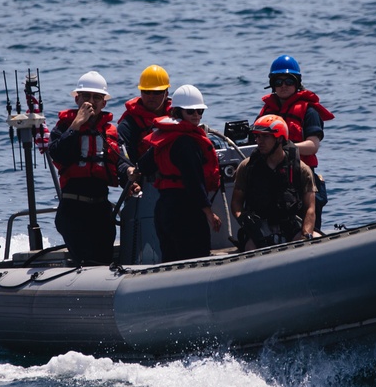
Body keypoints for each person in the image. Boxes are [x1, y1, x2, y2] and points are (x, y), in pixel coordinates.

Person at [48, 70, 135, 266]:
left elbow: (119, 161)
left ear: (104, 103)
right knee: (85, 261)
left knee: (103, 260)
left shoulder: (110, 132)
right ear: (77, 99)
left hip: (101, 211)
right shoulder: (63, 127)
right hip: (73, 210)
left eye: (97, 97)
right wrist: (76, 125)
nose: (91, 101)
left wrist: (129, 174)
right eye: (86, 96)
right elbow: (57, 153)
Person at [136, 85, 222, 262]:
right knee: (195, 260)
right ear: (177, 112)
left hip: (164, 210)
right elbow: (194, 182)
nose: (196, 116)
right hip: (186, 211)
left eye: (200, 111)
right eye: (191, 112)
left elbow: (144, 166)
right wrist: (208, 213)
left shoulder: (164, 137)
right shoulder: (187, 143)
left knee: (171, 260)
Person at [256, 54, 334, 231]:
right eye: (278, 81)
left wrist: (284, 147)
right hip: (272, 180)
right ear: (272, 84)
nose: (283, 86)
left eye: (288, 81)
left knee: (306, 226)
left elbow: (313, 145)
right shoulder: (267, 111)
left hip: (301, 179)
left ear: (297, 83)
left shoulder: (309, 111)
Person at [231, 114, 316, 249]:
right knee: (252, 248)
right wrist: (244, 220)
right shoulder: (247, 167)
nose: (259, 141)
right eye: (257, 136)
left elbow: (310, 208)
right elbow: (236, 202)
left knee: (316, 241)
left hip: (289, 225)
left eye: (265, 136)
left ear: (280, 138)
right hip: (258, 228)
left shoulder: (300, 169)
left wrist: (306, 235)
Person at [117, 64, 172, 162]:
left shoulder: (177, 116)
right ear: (141, 92)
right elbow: (122, 159)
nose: (151, 96)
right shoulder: (129, 123)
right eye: (146, 91)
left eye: (157, 92)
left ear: (166, 94)